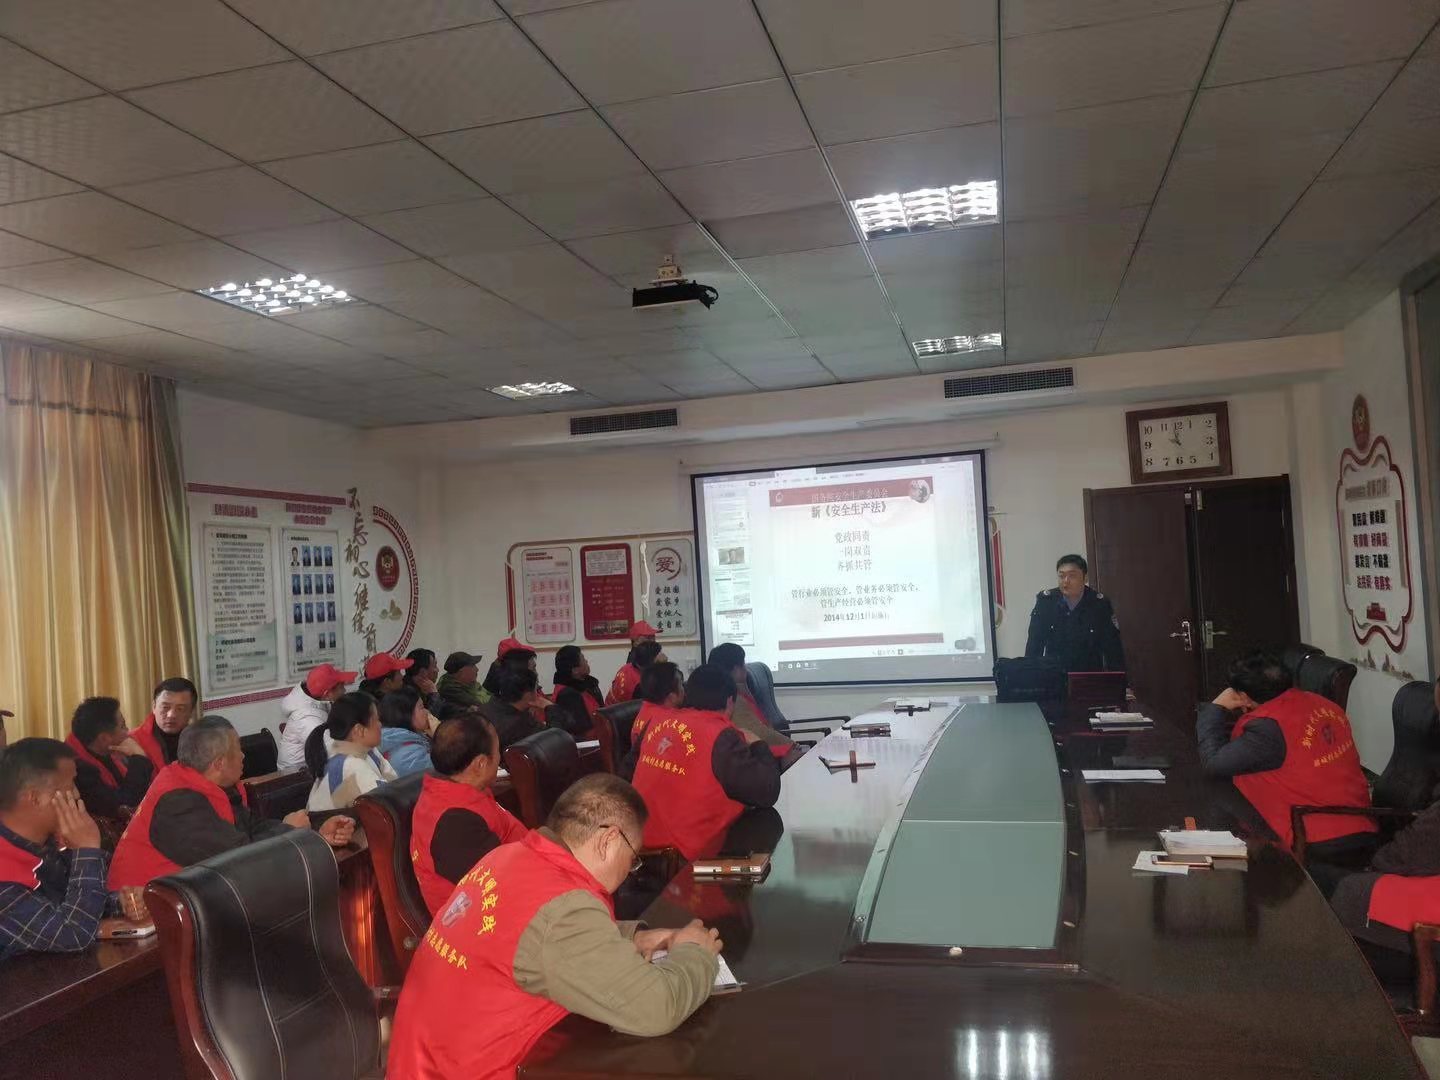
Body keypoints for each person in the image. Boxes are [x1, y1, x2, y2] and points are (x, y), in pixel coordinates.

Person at [387, 774, 721, 1079]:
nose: (629, 870)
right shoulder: (561, 910)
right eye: (633, 858)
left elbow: (535, 936)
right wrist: (695, 951)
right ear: (609, 840)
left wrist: (635, 937)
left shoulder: (509, 858)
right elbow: (656, 1008)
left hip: (418, 1064)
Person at [108, 718, 354, 889]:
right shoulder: (177, 803)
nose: (244, 755)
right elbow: (239, 858)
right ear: (219, 763)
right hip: (144, 913)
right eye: (238, 749)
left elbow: (253, 827)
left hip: (192, 893)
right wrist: (293, 831)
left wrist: (315, 832)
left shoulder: (203, 783)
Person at [1196, 651, 1377, 862]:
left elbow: (1214, 764)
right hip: (1362, 822)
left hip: (1314, 836)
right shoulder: (1326, 704)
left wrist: (1215, 708)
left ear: (1243, 697)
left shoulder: (1268, 727)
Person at [630, 664, 782, 860]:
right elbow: (768, 790)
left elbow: (627, 771)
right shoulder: (720, 735)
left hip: (638, 844)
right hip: (684, 857)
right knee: (765, 826)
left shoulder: (656, 721)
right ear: (730, 701)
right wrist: (759, 744)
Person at [0, 739, 109, 961]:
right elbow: (73, 935)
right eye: (70, 786)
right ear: (35, 798)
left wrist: (123, 901)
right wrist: (87, 851)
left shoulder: (47, 844)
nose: (77, 794)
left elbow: (78, 899)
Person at [411, 714, 527, 914]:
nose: (500, 758)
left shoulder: (459, 789)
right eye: (497, 751)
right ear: (480, 763)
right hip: (486, 917)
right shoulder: (453, 825)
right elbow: (499, 885)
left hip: (518, 874)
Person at [1024, 555, 1125, 674]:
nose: (1066, 581)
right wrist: (1030, 678)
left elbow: (1113, 649)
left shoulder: (1099, 605)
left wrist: (1118, 681)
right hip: (1054, 676)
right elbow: (1034, 646)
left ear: (1085, 577)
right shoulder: (1046, 603)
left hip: (1089, 675)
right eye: (1061, 576)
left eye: (1072, 576)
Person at [305, 693, 399, 812]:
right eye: (376, 720)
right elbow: (387, 806)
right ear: (359, 730)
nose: (380, 724)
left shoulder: (368, 752)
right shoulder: (350, 766)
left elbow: (395, 784)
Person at [67, 697, 155, 820]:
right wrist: (139, 758)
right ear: (104, 738)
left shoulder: (107, 751)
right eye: (123, 726)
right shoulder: (78, 771)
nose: (127, 731)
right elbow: (126, 804)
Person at [707, 643, 797, 764]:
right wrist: (791, 744)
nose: (746, 669)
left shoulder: (732, 693)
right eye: (743, 664)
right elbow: (759, 734)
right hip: (758, 756)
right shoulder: (734, 701)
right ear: (736, 669)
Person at [279, 662, 357, 772]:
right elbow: (332, 752)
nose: (344, 691)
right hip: (295, 777)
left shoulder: (320, 703)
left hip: (313, 769)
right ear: (327, 694)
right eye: (341, 687)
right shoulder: (306, 720)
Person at [618, 662, 686, 781]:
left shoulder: (646, 709)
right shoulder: (668, 724)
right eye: (681, 685)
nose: (684, 690)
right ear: (672, 697)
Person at [130, 677, 200, 769]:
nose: (171, 715)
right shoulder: (133, 741)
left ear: (191, 712)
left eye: (180, 709)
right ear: (154, 707)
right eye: (165, 707)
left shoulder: (202, 741)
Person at [478, 668, 555, 750]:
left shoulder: (489, 706)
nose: (537, 694)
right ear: (528, 695)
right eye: (535, 690)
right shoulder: (520, 725)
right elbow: (554, 739)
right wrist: (551, 708)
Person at [378, 687, 435, 777]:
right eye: (422, 707)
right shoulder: (408, 757)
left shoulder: (405, 739)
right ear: (406, 714)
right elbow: (448, 768)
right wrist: (442, 737)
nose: (427, 711)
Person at [552, 645, 604, 735]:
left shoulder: (588, 684)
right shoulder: (567, 695)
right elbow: (581, 732)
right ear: (575, 670)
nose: (586, 661)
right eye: (583, 659)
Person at [606, 621, 659, 705]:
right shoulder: (634, 670)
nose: (653, 641)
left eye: (653, 637)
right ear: (636, 642)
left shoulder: (635, 665)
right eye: (648, 638)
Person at [438, 650, 488, 715]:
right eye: (473, 666)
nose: (477, 669)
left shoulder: (470, 685)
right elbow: (481, 706)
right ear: (462, 671)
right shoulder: (451, 690)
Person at [404, 648, 446, 716]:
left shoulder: (421, 689)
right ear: (423, 672)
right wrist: (434, 695)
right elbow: (428, 719)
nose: (437, 670)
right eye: (435, 666)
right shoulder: (407, 695)